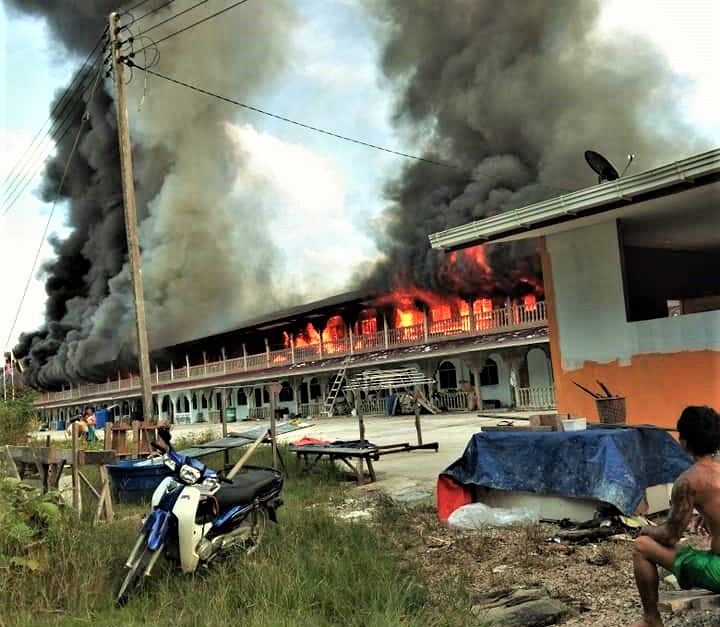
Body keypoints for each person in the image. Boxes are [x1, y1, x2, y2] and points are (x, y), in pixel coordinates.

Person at [629, 405, 720, 627]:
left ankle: (651, 619)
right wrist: (709, 516)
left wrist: (647, 529)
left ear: (684, 443)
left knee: (642, 545)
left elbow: (670, 536)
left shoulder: (689, 481)